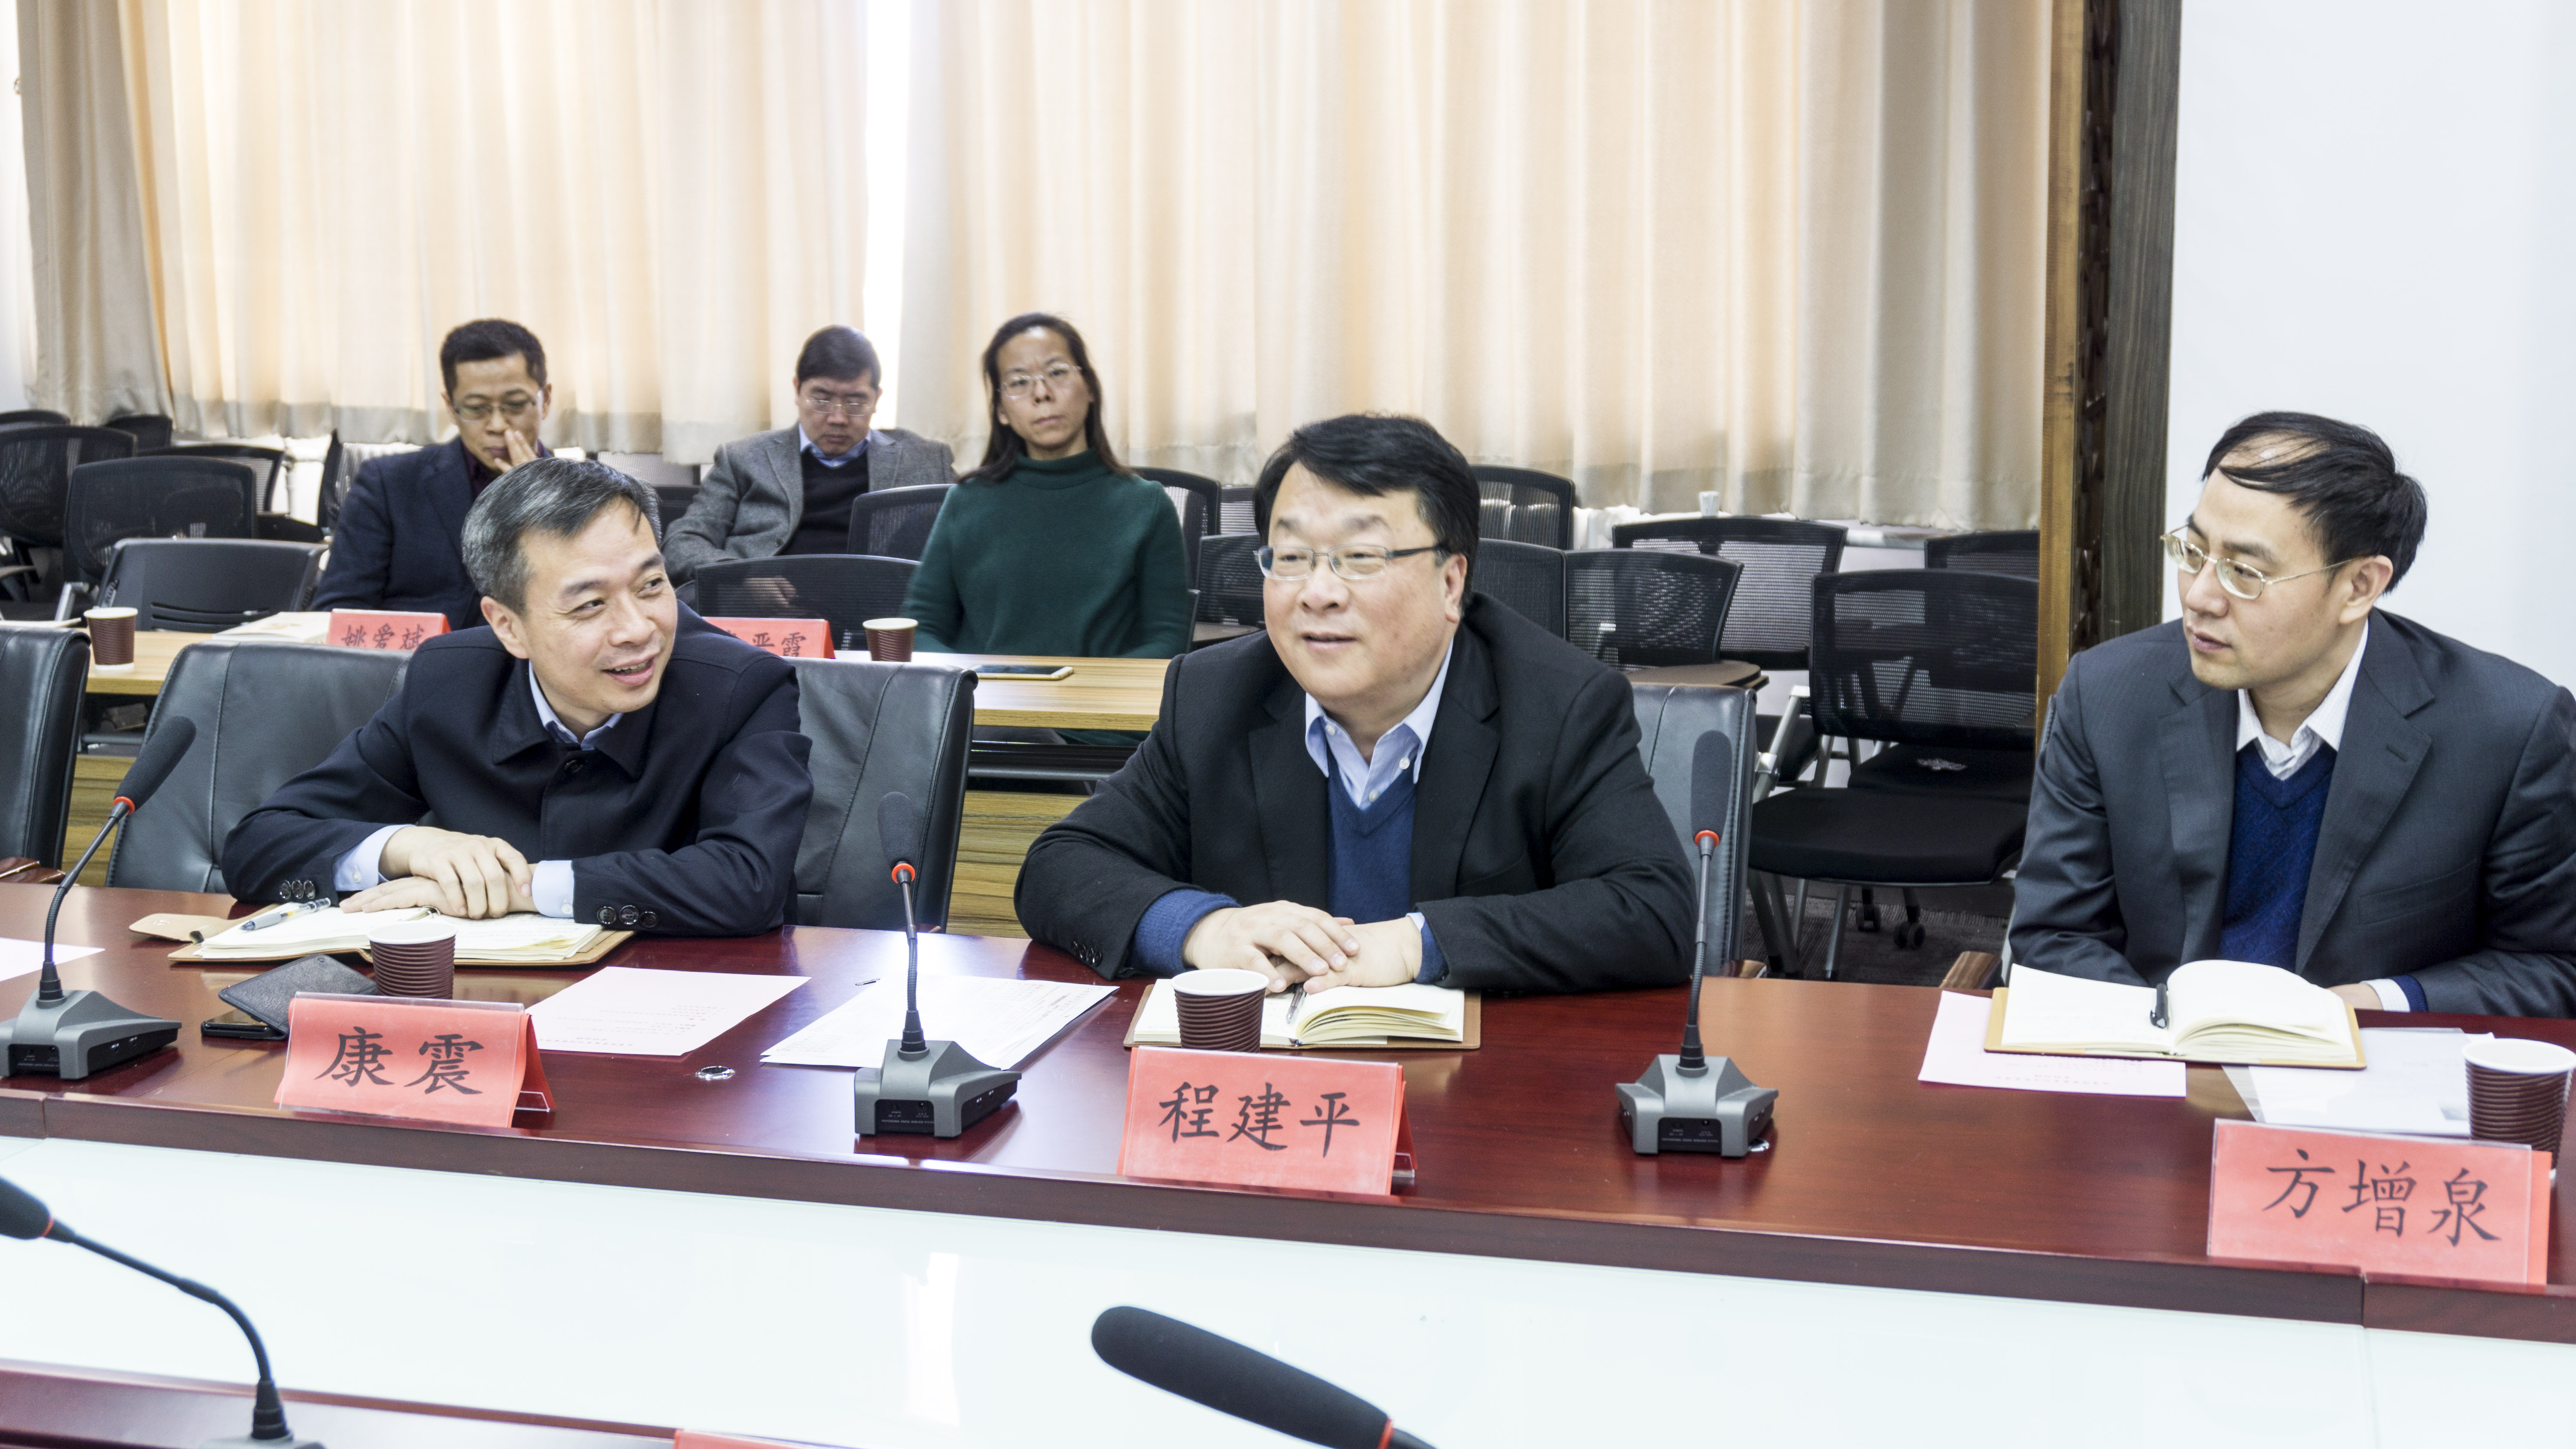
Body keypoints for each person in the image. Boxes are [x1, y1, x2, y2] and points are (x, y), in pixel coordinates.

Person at [1015, 412, 1693, 994]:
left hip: (1469, 1084)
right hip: (1275, 1077)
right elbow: (1060, 866)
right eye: (1291, 557)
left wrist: (1418, 944)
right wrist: (1203, 928)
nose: (1318, 593)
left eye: (1362, 557)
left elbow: (1653, 910)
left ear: (1451, 583)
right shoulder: (1215, 695)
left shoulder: (1558, 703)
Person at [2013, 412, 2576, 1016]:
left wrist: (2379, 1003)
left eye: (2245, 572)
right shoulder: (2107, 695)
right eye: (2193, 551)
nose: (2200, 596)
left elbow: (2551, 965)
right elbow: (2053, 935)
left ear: (2359, 586)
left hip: (2372, 1062)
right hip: (2162, 1053)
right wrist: (2172, 1030)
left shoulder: (2510, 729)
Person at [224, 459, 814, 936]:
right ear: (508, 626)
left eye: (651, 584)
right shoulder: (448, 681)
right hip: (487, 1006)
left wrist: (520, 887)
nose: (638, 629)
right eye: (590, 604)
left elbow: (748, 882)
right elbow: (259, 846)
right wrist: (409, 845)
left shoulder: (740, 687)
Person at [899, 312, 1190, 660]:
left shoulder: (1146, 505)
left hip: (1101, 694)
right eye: (1019, 382)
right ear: (1001, 410)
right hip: (986, 692)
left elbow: (1168, 639)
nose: (1042, 393)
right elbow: (920, 628)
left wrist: (1088, 686)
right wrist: (974, 680)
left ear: (1090, 388)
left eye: (1057, 373)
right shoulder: (966, 502)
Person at [313, 318, 559, 631]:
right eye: (476, 408)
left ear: (545, 401)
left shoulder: (586, 494)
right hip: (416, 657)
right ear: (451, 408)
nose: (497, 425)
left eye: (515, 405)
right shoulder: (388, 484)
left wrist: (540, 498)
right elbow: (340, 611)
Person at [662, 325, 955, 584]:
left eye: (856, 403)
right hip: (766, 608)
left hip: (882, 607)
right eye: (822, 400)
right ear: (797, 390)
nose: (838, 418)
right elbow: (682, 543)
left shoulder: (927, 461)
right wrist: (744, 578)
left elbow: (968, 542)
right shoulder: (743, 459)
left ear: (877, 399)